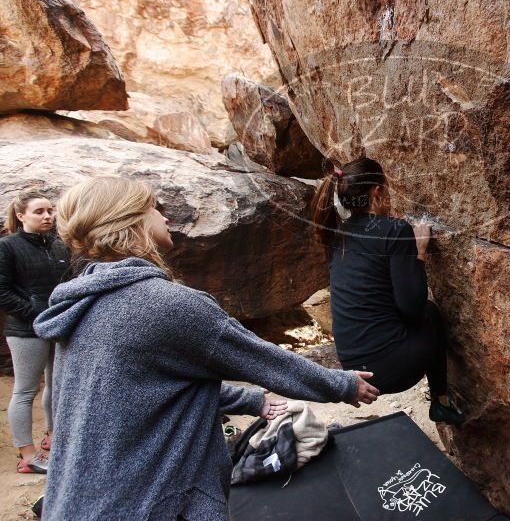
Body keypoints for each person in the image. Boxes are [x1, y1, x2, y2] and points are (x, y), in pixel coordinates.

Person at [32, 176, 379, 520]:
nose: (165, 218)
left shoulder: (85, 305)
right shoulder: (164, 304)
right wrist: (344, 384)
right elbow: (262, 359)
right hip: (150, 502)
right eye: (154, 208)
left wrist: (254, 401)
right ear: (131, 220)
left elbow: (149, 388)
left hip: (78, 501)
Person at [310, 157, 464, 426]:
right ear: (378, 192)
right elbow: (412, 307)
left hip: (355, 370)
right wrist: (420, 251)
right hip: (392, 370)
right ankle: (441, 401)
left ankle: (440, 403)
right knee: (429, 312)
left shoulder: (337, 235)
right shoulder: (393, 231)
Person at [0, 191, 70, 474]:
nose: (47, 216)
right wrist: (39, 315)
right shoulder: (7, 246)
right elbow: (2, 293)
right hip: (26, 331)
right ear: (21, 215)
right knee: (26, 390)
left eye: (50, 211)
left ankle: (53, 438)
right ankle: (27, 456)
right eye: (39, 211)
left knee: (57, 384)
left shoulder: (58, 245)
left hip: (58, 326)